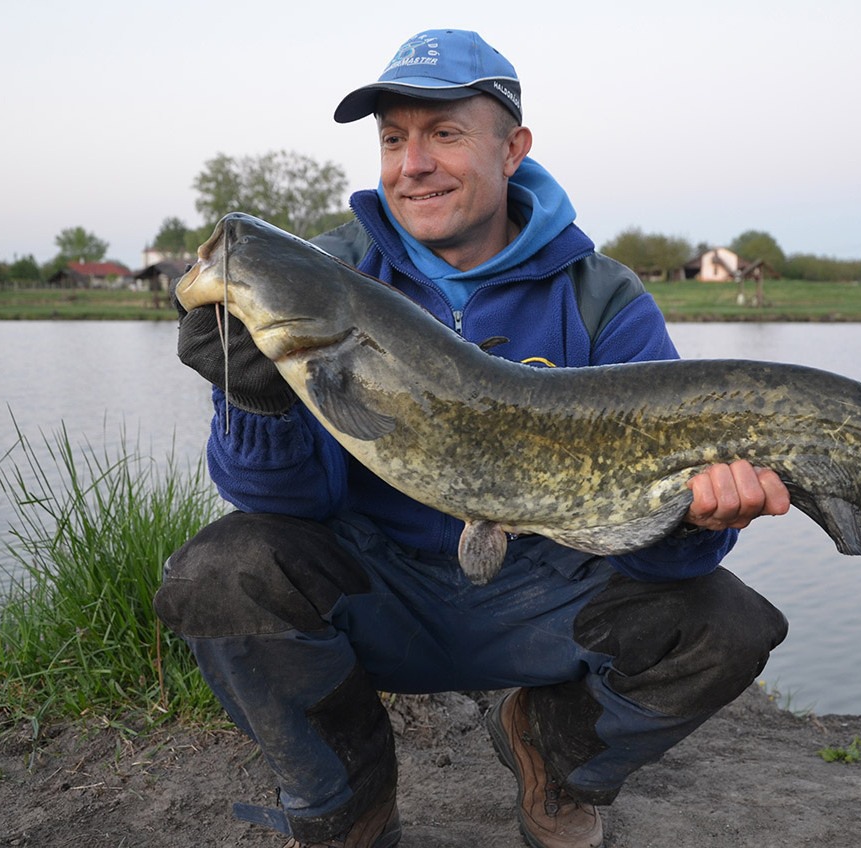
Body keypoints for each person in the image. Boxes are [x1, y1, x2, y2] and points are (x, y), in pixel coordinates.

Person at [156, 28, 791, 848]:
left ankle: (551, 752)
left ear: (513, 148)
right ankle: (347, 800)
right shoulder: (331, 278)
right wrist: (254, 397)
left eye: (444, 133)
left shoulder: (602, 299)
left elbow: (662, 562)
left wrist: (700, 518)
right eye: (393, 139)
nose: (411, 163)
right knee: (222, 570)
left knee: (723, 624)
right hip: (378, 590)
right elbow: (284, 505)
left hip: (546, 595)